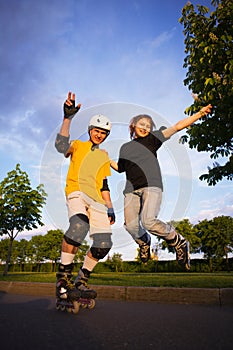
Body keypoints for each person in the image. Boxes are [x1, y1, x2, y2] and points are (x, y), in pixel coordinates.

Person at [110, 104, 212, 269]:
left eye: (148, 126)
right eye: (142, 124)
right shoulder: (125, 148)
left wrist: (199, 114)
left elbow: (177, 126)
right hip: (131, 190)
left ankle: (178, 241)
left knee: (148, 221)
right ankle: (144, 242)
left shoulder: (153, 139)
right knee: (130, 225)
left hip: (151, 185)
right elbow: (120, 168)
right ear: (133, 126)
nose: (145, 128)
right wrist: (106, 160)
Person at [55, 91, 115, 301]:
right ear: (90, 130)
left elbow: (104, 184)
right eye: (96, 131)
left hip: (97, 200)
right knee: (79, 226)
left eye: (103, 133)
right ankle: (63, 279)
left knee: (104, 244)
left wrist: (110, 207)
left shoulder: (104, 156)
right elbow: (61, 146)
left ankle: (81, 281)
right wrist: (67, 118)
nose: (99, 135)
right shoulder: (79, 146)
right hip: (77, 192)